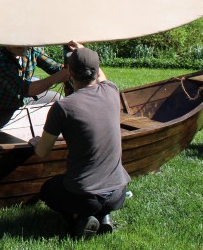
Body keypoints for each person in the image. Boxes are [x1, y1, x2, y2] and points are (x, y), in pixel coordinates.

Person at [29, 45, 130, 239]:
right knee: (95, 194)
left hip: (85, 197)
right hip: (118, 192)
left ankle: (79, 220)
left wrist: (36, 141)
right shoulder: (111, 91)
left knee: (48, 190)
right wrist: (84, 49)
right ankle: (104, 216)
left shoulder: (63, 107)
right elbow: (102, 75)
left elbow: (43, 152)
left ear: (70, 73)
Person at [0, 45, 70, 130]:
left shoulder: (31, 49)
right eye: (20, 45)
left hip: (22, 101)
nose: (26, 48)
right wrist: (57, 77)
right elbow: (24, 89)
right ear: (7, 44)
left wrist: (74, 64)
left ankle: (52, 134)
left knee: (58, 98)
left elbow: (55, 68)